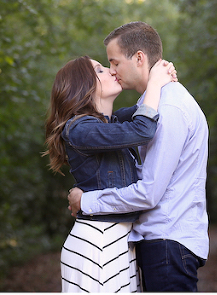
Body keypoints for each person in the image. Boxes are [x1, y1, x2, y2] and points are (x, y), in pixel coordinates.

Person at [68, 22, 209, 292]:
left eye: (115, 62)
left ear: (140, 58)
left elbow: (149, 193)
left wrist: (86, 199)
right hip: (163, 241)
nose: (112, 71)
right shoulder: (153, 105)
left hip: (167, 241)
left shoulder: (167, 109)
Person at [44, 55, 177, 293]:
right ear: (83, 86)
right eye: (101, 70)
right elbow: (143, 129)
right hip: (96, 245)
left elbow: (148, 110)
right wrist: (155, 83)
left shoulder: (109, 123)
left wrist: (163, 78)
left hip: (118, 242)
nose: (111, 71)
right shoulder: (79, 129)